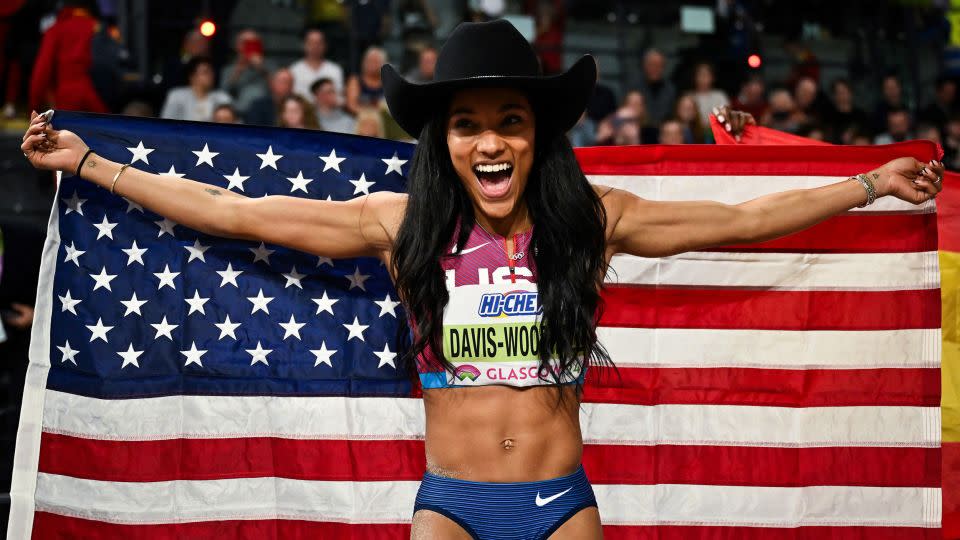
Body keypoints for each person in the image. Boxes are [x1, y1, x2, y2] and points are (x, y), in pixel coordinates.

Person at [21, 19, 944, 539]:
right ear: (444, 140)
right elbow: (238, 212)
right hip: (450, 508)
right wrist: (91, 163)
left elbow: (741, 222)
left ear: (537, 133)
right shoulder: (403, 225)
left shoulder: (595, 221)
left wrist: (869, 183)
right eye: (468, 125)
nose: (491, 141)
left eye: (510, 120)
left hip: (562, 507)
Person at [28, 0, 109, 114]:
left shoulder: (55, 30)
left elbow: (41, 72)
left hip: (65, 100)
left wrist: (34, 105)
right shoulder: (98, 27)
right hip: (97, 98)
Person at [220, 29, 276, 115]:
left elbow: (278, 90)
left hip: (265, 114)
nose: (250, 46)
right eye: (246, 43)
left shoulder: (270, 66)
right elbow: (223, 94)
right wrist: (238, 70)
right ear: (237, 45)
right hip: (238, 113)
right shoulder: (229, 69)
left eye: (254, 43)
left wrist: (263, 70)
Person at [159, 56, 232, 122]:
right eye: (205, 72)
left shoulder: (223, 97)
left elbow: (237, 124)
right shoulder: (176, 96)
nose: (211, 75)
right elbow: (165, 123)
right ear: (192, 77)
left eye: (211, 72)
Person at [289, 27, 344, 101]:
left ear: (325, 46)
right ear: (304, 45)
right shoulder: (294, 70)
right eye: (311, 43)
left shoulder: (335, 70)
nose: (315, 46)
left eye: (319, 43)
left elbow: (339, 98)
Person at [345, 46, 387, 115]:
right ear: (364, 62)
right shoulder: (355, 80)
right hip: (359, 120)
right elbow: (351, 105)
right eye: (369, 61)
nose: (372, 64)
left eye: (376, 61)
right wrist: (369, 116)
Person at [690, 62, 729, 128]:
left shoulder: (720, 96)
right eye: (700, 74)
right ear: (695, 77)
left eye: (706, 74)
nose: (703, 78)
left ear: (713, 78)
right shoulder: (689, 97)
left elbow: (726, 117)